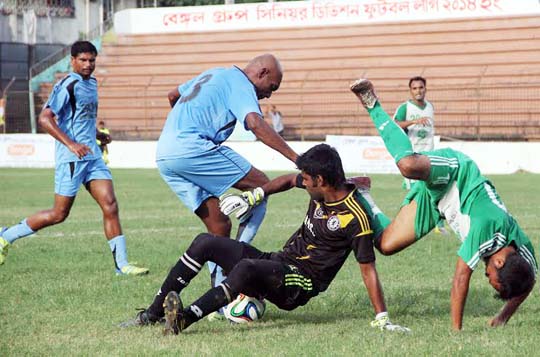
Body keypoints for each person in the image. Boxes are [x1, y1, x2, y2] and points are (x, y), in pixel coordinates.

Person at [121, 144, 409, 334]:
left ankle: (183, 320)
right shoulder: (322, 186)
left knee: (245, 268)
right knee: (204, 242)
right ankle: (153, 313)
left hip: (300, 282)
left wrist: (382, 317)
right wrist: (256, 194)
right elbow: (286, 180)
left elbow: (368, 269)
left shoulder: (353, 217)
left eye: (306, 179)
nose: (302, 182)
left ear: (321, 180)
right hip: (279, 262)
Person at [350, 78, 537, 330]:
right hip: (454, 173)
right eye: (491, 278)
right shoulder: (487, 230)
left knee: (385, 244)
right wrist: (456, 333)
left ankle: (362, 192)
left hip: (438, 203)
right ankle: (371, 103)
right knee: (408, 165)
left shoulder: (524, 258)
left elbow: (529, 281)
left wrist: (503, 316)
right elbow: (461, 278)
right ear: (500, 262)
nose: (486, 276)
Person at [0, 41, 148, 276]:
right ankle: (5, 236)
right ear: (72, 60)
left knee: (110, 204)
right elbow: (45, 119)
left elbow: (81, 118)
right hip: (72, 158)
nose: (88, 65)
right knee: (59, 214)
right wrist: (71, 144)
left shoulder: (92, 82)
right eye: (83, 60)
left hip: (92, 156)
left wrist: (96, 135)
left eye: (92, 60)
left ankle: (122, 265)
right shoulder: (67, 84)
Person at [156, 54, 298, 291]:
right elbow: (255, 123)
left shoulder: (214, 73)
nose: (269, 95)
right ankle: (235, 261)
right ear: (262, 73)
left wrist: (181, 125)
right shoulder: (241, 83)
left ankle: (218, 295)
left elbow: (173, 95)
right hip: (192, 147)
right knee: (262, 186)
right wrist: (297, 158)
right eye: (272, 87)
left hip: (165, 152)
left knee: (220, 226)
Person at [394, 76, 448, 234]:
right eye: (415, 88)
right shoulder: (405, 107)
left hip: (429, 156)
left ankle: (438, 223)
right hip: (412, 156)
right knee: (414, 194)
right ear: (410, 91)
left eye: (421, 87)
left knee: (436, 188)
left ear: (425, 89)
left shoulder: (430, 106)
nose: (418, 91)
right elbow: (394, 124)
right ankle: (409, 225)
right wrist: (413, 122)